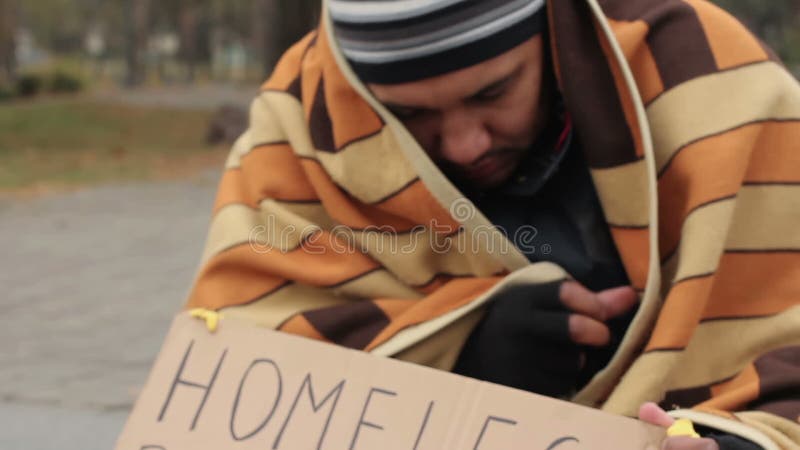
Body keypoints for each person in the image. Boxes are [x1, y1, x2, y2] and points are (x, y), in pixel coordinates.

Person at [185, 0, 800, 448]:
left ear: (553, 31)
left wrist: (736, 442)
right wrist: (469, 361)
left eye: (492, 93)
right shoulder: (302, 117)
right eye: (407, 117)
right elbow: (234, 376)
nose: (463, 144)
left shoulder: (707, 75)